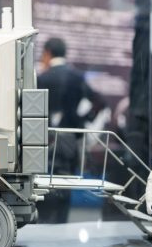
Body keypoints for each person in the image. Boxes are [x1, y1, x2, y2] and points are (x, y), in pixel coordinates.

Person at [36, 38, 105, 223]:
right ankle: (61, 224)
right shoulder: (77, 76)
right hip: (71, 140)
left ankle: (43, 224)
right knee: (66, 183)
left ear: (47, 52)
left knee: (43, 181)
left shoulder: (43, 77)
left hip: (45, 139)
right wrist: (82, 120)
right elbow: (99, 103)